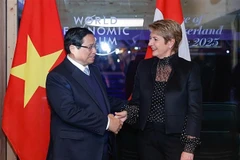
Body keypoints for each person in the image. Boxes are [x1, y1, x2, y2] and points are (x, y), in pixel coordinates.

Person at [116, 19, 202, 160]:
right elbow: (136, 102)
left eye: (155, 39)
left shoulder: (189, 69)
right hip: (146, 139)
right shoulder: (143, 66)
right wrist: (128, 113)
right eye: (150, 38)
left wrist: (189, 149)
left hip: (176, 141)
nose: (150, 44)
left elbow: (194, 111)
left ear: (170, 42)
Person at [46, 27, 127, 160]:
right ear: (73, 48)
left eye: (95, 46)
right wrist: (107, 123)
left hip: (101, 147)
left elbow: (102, 100)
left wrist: (129, 108)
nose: (95, 51)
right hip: (75, 151)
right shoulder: (57, 76)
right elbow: (69, 112)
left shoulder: (94, 70)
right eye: (90, 47)